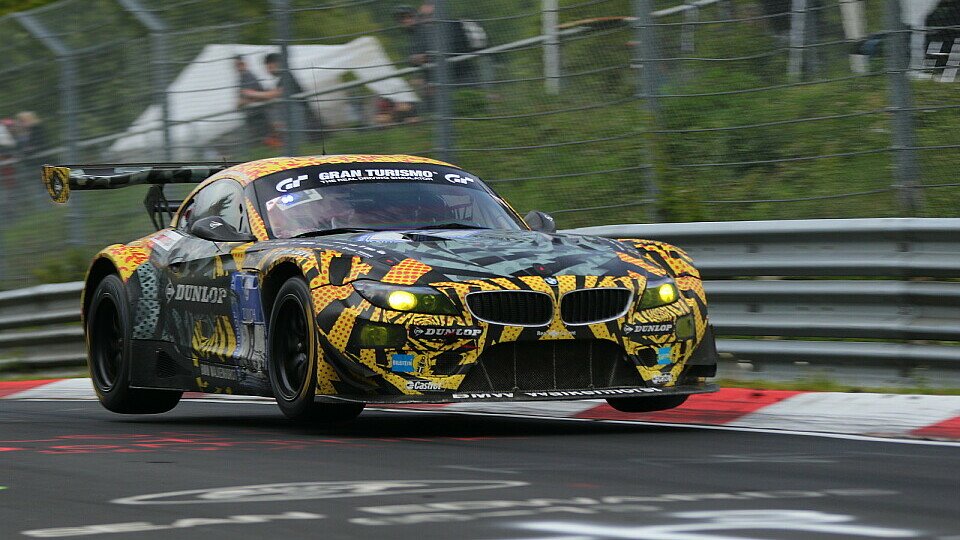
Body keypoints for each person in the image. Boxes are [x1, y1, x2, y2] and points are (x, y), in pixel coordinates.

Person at [262, 53, 324, 142]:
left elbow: (274, 94)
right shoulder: (283, 78)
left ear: (276, 64)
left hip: (305, 121)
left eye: (269, 67)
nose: (268, 71)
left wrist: (251, 93)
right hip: (301, 121)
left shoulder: (286, 76)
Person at [234, 55, 273, 146]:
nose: (238, 67)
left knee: (264, 141)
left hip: (258, 115)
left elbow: (253, 95)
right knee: (260, 142)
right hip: (253, 116)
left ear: (244, 64)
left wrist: (242, 102)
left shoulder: (248, 76)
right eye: (236, 65)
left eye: (240, 64)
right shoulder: (242, 78)